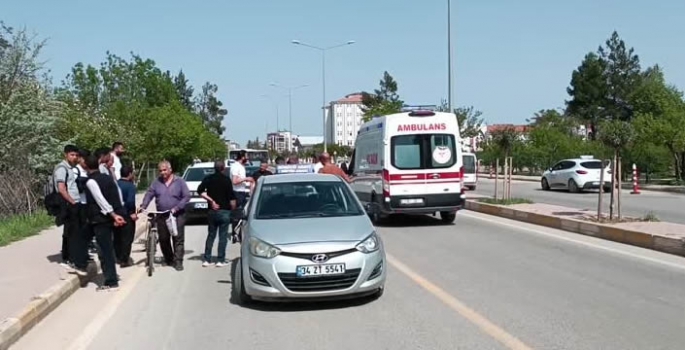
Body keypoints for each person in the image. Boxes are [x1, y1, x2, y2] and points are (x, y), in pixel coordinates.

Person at [83, 154, 127, 291]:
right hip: (110, 217)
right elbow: (118, 193)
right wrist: (119, 211)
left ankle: (111, 281)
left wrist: (113, 215)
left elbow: (100, 200)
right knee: (108, 248)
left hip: (101, 219)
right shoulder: (108, 178)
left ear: (85, 165)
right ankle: (111, 276)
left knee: (104, 250)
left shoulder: (90, 182)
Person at [140, 161, 191, 271]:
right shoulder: (156, 183)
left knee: (178, 239)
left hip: (177, 215)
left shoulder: (179, 182)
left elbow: (187, 196)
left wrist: (177, 207)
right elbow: (149, 194)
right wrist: (143, 205)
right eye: (160, 170)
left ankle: (178, 262)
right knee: (163, 239)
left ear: (170, 169)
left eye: (164, 170)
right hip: (162, 215)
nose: (162, 172)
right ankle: (169, 259)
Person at [197, 160, 236, 267]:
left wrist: (211, 201)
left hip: (212, 211)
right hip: (224, 211)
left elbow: (200, 191)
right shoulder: (226, 180)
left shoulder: (208, 178)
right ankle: (220, 260)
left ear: (214, 168)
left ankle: (207, 259)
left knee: (211, 235)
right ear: (223, 168)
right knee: (222, 237)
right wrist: (233, 210)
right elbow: (232, 198)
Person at [53, 145, 83, 272]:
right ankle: (70, 258)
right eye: (72, 155)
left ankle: (68, 256)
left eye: (76, 155)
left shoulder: (70, 168)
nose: (74, 157)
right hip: (69, 204)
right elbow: (61, 188)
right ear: (66, 154)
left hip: (74, 202)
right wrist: (72, 202)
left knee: (70, 231)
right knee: (72, 232)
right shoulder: (62, 168)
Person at [114, 166, 138, 267]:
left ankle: (118, 256)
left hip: (115, 214)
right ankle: (124, 260)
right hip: (126, 214)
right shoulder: (130, 186)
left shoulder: (115, 184)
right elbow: (130, 201)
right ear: (129, 174)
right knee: (127, 238)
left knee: (117, 237)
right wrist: (132, 212)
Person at [229, 151, 253, 243]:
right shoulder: (235, 167)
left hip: (242, 192)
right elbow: (234, 181)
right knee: (237, 214)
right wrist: (246, 179)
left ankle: (239, 234)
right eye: (246, 156)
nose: (248, 158)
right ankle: (234, 234)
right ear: (242, 157)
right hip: (237, 193)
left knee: (242, 214)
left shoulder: (241, 167)